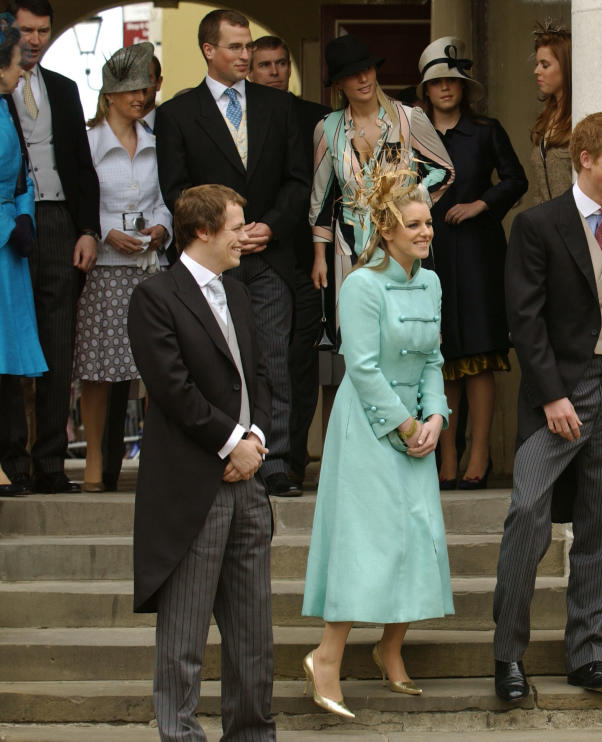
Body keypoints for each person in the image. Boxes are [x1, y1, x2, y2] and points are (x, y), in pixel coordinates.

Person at [492, 113, 602, 702]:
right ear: (584, 158)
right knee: (527, 515)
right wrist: (552, 396)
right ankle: (507, 657)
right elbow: (525, 319)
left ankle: (587, 653)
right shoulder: (537, 225)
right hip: (558, 391)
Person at [301, 170, 453, 719]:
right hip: (368, 427)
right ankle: (326, 658)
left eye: (429, 222)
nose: (426, 232)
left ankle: (390, 647)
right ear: (386, 231)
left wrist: (435, 415)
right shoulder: (361, 285)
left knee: (417, 535)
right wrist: (406, 427)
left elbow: (435, 359)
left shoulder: (431, 283)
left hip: (417, 421)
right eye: (414, 224)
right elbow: (361, 369)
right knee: (368, 541)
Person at [128, 184, 275, 741]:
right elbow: (172, 388)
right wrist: (230, 440)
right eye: (236, 227)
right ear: (202, 231)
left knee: (253, 639)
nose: (246, 235)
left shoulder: (237, 294)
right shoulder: (155, 296)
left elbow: (256, 375)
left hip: (248, 482)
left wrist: (255, 438)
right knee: (184, 640)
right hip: (192, 490)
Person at [155, 8, 311, 497]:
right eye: (236, 47)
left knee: (272, 360)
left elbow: (297, 180)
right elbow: (176, 190)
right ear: (209, 50)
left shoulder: (278, 107)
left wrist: (270, 226)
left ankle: (275, 460)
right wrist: (221, 232)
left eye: (249, 46)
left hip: (268, 255)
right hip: (208, 262)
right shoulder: (176, 114)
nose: (246, 55)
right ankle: (220, 452)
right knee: (212, 362)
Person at [309, 33, 453, 479]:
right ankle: (361, 436)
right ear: (339, 85)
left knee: (407, 328)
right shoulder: (328, 128)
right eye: (352, 75)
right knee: (353, 339)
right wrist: (319, 253)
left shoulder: (409, 118)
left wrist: (405, 201)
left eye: (367, 69)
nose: (363, 79)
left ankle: (410, 422)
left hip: (399, 241)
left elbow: (444, 170)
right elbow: (321, 195)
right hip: (350, 242)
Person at [417, 37, 527, 489]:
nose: (446, 89)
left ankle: (478, 452)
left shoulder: (486, 130)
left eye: (454, 82)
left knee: (480, 352)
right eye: (438, 82)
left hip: (479, 252)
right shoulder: (411, 133)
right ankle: (447, 453)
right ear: (425, 89)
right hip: (429, 253)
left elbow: (516, 180)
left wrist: (482, 203)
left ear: (464, 88)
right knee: (437, 354)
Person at [0, 0, 100, 494]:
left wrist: (88, 230)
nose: (34, 40)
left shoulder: (62, 89)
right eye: (25, 31)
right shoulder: (1, 86)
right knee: (11, 342)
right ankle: (13, 463)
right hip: (10, 223)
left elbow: (81, 165)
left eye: (42, 31)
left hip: (61, 221)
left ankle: (50, 464)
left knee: (59, 344)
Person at [73, 42, 171, 493]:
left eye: (145, 86)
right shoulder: (89, 142)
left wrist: (159, 230)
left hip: (150, 268)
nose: (141, 95)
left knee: (155, 367)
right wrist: (106, 228)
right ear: (109, 94)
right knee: (98, 369)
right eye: (130, 88)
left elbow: (165, 202)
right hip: (105, 270)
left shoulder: (156, 141)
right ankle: (94, 458)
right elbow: (80, 199)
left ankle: (157, 455)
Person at [248, 33, 333, 492]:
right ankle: (263, 455)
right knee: (264, 358)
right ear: (249, 70)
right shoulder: (238, 120)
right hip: (260, 254)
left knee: (302, 361)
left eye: (281, 63)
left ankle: (292, 458)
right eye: (266, 65)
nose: (276, 71)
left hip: (311, 256)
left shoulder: (316, 118)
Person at [0, 13, 45, 497]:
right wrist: (8, 223)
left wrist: (26, 214)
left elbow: (19, 175)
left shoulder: (6, 105)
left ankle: (14, 460)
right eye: (15, 64)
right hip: (1, 240)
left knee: (7, 361)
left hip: (9, 247)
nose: (20, 73)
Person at [529, 22, 572, 205]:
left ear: (565, 66)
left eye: (545, 65)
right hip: (545, 227)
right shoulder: (547, 118)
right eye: (538, 64)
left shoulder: (581, 121)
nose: (536, 71)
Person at [139, 55, 161, 134]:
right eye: (133, 80)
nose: (140, 86)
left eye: (146, 79)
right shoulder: (108, 128)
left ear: (158, 83)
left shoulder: (174, 124)